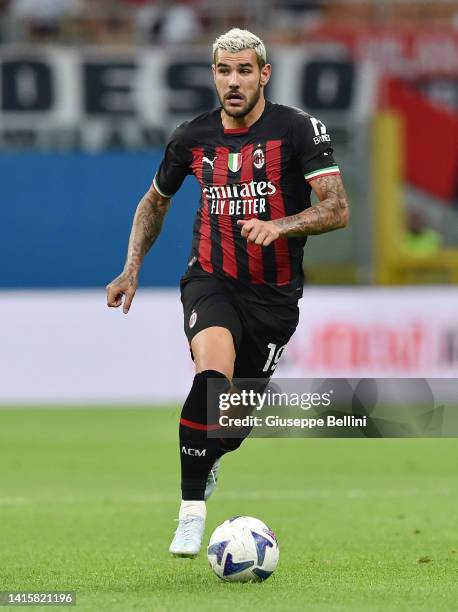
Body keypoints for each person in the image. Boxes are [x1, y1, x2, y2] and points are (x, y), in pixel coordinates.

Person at [106, 28, 349, 558]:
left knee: (231, 426)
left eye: (244, 71)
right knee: (210, 378)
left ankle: (212, 457)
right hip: (210, 280)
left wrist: (281, 226)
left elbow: (337, 207)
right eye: (223, 71)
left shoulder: (298, 129)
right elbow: (155, 202)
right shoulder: (190, 137)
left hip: (275, 297)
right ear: (213, 75)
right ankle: (191, 514)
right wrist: (131, 268)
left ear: (264, 74)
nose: (233, 82)